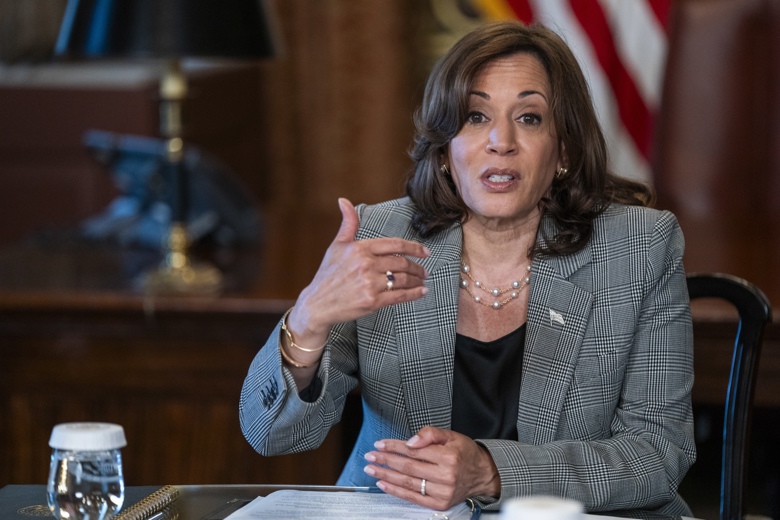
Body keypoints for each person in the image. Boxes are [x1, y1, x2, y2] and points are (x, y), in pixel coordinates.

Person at [239, 21, 695, 515]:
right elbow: (272, 434)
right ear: (444, 148)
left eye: (529, 118)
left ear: (563, 149)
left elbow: (659, 454)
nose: (501, 141)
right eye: (476, 116)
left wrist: (490, 470)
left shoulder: (637, 248)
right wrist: (310, 316)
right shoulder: (381, 238)